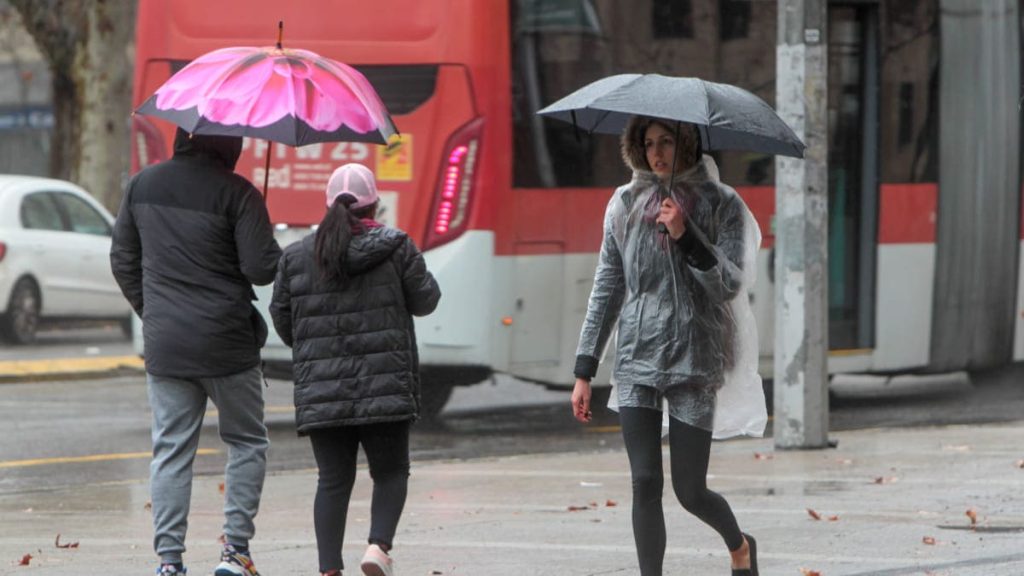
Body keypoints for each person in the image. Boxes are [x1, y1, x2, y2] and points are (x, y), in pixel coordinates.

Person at [570, 116, 767, 576]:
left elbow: (729, 285)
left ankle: (740, 546)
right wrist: (584, 369)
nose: (656, 152)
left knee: (690, 490)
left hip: (696, 356)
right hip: (636, 356)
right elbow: (607, 287)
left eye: (666, 141)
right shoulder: (624, 204)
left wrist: (685, 234)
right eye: (648, 143)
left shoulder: (721, 204)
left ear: (687, 145)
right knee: (644, 481)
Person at [110, 128, 282, 576]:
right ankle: (235, 552)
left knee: (170, 449)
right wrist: (267, 238)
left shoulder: (142, 186)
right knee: (246, 441)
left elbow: (122, 259)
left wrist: (154, 313)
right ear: (229, 143)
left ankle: (169, 561)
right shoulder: (239, 193)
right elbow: (261, 269)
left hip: (167, 345)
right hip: (228, 343)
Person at [269, 163, 441, 576]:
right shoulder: (397, 247)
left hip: (323, 391)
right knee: (391, 472)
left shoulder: (295, 257)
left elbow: (285, 324)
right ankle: (378, 548)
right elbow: (427, 301)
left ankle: (329, 569)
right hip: (386, 384)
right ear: (374, 206)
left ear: (328, 205)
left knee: (332, 479)